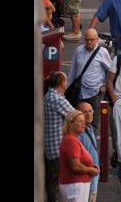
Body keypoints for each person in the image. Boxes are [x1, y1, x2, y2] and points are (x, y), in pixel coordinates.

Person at [67, 28, 113, 124]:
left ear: (97, 40)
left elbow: (110, 71)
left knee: (93, 122)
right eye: (87, 39)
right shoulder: (78, 50)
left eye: (92, 39)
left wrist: (104, 85)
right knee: (78, 121)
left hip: (95, 92)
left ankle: (92, 138)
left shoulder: (102, 52)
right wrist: (68, 87)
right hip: (79, 92)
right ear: (84, 39)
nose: (89, 42)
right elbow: (73, 70)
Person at [45, 72, 77, 202]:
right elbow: (75, 115)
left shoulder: (49, 95)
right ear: (62, 83)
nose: (67, 82)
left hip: (50, 146)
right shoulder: (57, 99)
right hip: (58, 147)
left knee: (52, 180)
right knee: (58, 181)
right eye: (66, 80)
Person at [59, 109, 99, 202]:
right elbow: (75, 166)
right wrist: (91, 170)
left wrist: (91, 167)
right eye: (80, 121)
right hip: (75, 186)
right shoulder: (71, 141)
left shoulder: (74, 139)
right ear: (71, 124)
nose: (83, 123)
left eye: (84, 121)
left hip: (78, 185)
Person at [75, 102, 101, 202]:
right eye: (84, 112)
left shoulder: (89, 128)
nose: (89, 114)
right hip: (85, 184)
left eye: (90, 111)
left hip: (93, 182)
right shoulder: (78, 134)